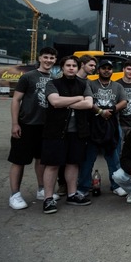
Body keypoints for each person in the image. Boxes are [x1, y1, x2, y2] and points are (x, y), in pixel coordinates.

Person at [40, 55, 93, 213]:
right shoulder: (53, 83)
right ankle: (48, 199)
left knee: (73, 163)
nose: (71, 68)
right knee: (52, 165)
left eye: (74, 66)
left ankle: (72, 194)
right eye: (68, 65)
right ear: (62, 68)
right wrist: (77, 98)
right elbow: (55, 102)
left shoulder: (84, 83)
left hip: (77, 131)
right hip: (55, 131)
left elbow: (89, 104)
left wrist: (66, 102)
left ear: (78, 68)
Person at [8, 46, 57, 210]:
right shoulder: (28, 77)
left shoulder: (55, 79)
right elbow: (16, 100)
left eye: (52, 58)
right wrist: (15, 123)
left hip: (45, 126)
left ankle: (42, 189)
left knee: (41, 160)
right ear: (40, 58)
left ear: (55, 60)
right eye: (46, 57)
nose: (48, 60)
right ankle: (15, 194)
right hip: (26, 124)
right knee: (19, 160)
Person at [78, 59, 127, 198]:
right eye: (103, 68)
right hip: (93, 125)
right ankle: (83, 186)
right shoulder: (90, 84)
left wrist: (111, 109)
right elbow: (87, 100)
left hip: (111, 125)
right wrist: (101, 111)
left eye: (109, 68)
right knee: (88, 158)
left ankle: (116, 185)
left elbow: (124, 101)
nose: (107, 70)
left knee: (114, 157)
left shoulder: (117, 86)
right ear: (98, 70)